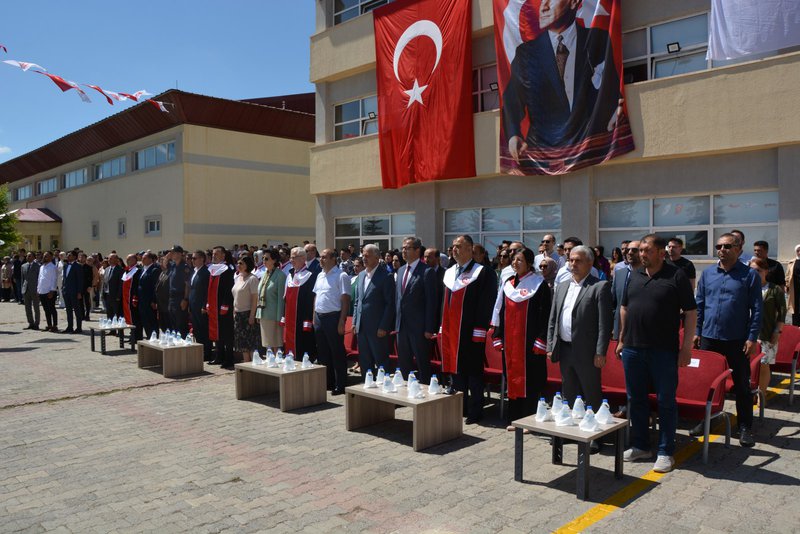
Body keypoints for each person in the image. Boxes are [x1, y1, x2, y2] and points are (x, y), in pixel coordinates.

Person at [502, 0, 623, 167]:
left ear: (573, 2)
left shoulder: (598, 40)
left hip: (593, 150)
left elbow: (611, 87)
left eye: (550, 0)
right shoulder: (525, 53)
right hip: (543, 157)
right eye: (542, 1)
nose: (543, 7)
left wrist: (616, 107)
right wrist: (513, 134)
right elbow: (512, 100)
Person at [616, 234, 697, 473]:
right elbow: (624, 307)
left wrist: (686, 348)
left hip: (663, 351)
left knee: (665, 401)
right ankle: (641, 446)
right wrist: (621, 338)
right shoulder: (634, 275)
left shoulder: (676, 276)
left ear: (661, 253)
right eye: (640, 250)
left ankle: (665, 451)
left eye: (647, 250)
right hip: (632, 349)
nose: (641, 254)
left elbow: (691, 312)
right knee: (636, 399)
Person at [693, 232, 761, 448]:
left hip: (737, 339)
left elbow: (757, 310)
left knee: (741, 385)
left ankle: (745, 427)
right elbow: (699, 305)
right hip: (709, 338)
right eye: (719, 246)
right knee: (707, 383)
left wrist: (752, 337)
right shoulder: (708, 274)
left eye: (727, 246)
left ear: (739, 249)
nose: (722, 250)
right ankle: (706, 420)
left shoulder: (749, 275)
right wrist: (696, 331)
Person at [547, 245, 612, 453]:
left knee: (591, 392)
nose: (573, 264)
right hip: (565, 349)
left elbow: (604, 324)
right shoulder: (562, 286)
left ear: (590, 263)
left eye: (578, 260)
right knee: (569, 392)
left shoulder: (599, 287)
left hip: (587, 351)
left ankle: (595, 435)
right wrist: (551, 345)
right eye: (571, 260)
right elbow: (553, 319)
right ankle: (569, 431)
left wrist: (600, 351)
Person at [440, 235, 495, 424]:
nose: (454, 249)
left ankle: (475, 411)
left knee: (473, 372)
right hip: (452, 330)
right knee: (456, 371)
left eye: (459, 246)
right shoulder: (450, 272)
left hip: (471, 331)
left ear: (470, 249)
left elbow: (486, 304)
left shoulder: (482, 272)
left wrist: (479, 330)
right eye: (453, 246)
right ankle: (460, 407)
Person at [494, 248, 551, 429]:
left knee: (531, 381)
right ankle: (514, 418)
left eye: (519, 260)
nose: (515, 263)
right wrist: (498, 335)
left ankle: (529, 421)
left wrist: (541, 339)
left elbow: (545, 314)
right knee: (513, 379)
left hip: (530, 343)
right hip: (511, 342)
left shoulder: (539, 284)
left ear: (529, 263)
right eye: (513, 260)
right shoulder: (508, 284)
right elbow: (500, 310)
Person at [395, 237, 438, 384]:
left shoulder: (427, 271)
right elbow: (398, 299)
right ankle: (405, 391)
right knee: (404, 363)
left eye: (407, 248)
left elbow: (431, 302)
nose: (404, 251)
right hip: (402, 327)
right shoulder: (401, 270)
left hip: (419, 328)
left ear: (417, 250)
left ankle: (425, 392)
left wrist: (429, 328)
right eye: (403, 248)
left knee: (422, 363)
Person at [353, 244, 395, 379]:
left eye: (367, 256)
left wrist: (384, 326)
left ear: (377, 258)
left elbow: (390, 304)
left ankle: (385, 386)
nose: (364, 258)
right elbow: (357, 301)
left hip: (377, 328)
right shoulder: (361, 275)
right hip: (361, 327)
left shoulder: (386, 276)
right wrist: (355, 322)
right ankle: (367, 386)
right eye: (363, 256)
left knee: (381, 361)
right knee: (365, 361)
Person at [312, 248, 351, 394]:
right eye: (320, 257)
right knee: (323, 352)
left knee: (337, 352)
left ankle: (340, 384)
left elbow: (345, 300)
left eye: (324, 257)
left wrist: (342, 321)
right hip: (319, 317)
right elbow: (316, 297)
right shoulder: (320, 275)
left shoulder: (341, 275)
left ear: (333, 259)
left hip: (333, 317)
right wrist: (314, 317)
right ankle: (328, 383)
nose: (321, 260)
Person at [749, 257, 785, 404]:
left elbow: (782, 313)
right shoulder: (745, 288)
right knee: (749, 367)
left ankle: (761, 395)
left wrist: (777, 332)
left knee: (764, 366)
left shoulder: (774, 289)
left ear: (766, 271)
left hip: (766, 334)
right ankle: (751, 393)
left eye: (758, 270)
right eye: (752, 270)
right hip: (747, 335)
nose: (755, 273)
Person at [282, 247, 317, 361]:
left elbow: (310, 301)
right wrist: (283, 316)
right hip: (290, 318)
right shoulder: (290, 275)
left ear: (302, 258)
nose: (291, 260)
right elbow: (285, 298)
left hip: (302, 318)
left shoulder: (310, 276)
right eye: (290, 257)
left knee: (303, 344)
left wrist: (308, 320)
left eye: (294, 257)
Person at [206, 246, 236, 368]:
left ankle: (229, 359)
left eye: (217, 254)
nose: (214, 256)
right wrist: (208, 303)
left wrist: (225, 304)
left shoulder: (228, 269)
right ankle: (219, 356)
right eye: (213, 254)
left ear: (223, 255)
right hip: (214, 305)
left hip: (224, 306)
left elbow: (229, 289)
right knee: (216, 332)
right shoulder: (212, 269)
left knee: (226, 333)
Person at [256, 248, 286, 354]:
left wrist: (279, 318)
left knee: (275, 343)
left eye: (266, 258)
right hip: (264, 313)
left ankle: (276, 361)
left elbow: (281, 299)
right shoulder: (265, 274)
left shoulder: (280, 275)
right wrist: (258, 313)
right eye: (263, 258)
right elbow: (260, 294)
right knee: (267, 343)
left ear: (274, 260)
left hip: (274, 316)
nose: (263, 261)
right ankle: (269, 360)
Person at [231, 255, 260, 363]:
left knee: (250, 343)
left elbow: (255, 299)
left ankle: (253, 365)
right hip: (238, 314)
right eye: (238, 263)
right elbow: (235, 296)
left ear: (247, 265)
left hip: (248, 314)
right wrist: (234, 311)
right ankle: (246, 364)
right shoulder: (238, 278)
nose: (238, 265)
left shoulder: (252, 279)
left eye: (241, 263)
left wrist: (252, 316)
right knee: (242, 343)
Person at [611, 240, 640, 340]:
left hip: (641, 331)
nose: (629, 253)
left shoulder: (649, 274)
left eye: (634, 250)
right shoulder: (620, 273)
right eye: (627, 250)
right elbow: (614, 301)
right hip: (620, 330)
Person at [188, 250, 210, 358]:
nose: (192, 260)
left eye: (194, 258)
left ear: (202, 259)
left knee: (203, 330)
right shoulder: (194, 271)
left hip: (201, 306)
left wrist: (204, 305)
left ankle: (207, 353)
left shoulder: (205, 272)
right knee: (196, 330)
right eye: (192, 258)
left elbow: (206, 291)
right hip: (193, 305)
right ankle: (200, 351)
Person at [168, 246, 192, 337]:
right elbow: (164, 264)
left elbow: (187, 284)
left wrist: (185, 299)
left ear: (179, 254)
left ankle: (182, 342)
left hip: (180, 298)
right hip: (172, 298)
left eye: (172, 252)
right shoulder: (173, 265)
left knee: (180, 324)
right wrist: (167, 257)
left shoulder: (184, 267)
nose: (171, 254)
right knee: (173, 323)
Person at [137, 252, 161, 340]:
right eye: (142, 258)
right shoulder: (143, 269)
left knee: (152, 321)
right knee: (145, 321)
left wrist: (154, 300)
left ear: (150, 259)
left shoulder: (154, 270)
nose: (142, 260)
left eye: (145, 258)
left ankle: (154, 339)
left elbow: (156, 287)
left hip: (150, 301)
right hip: (142, 300)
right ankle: (149, 337)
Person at [61, 251, 84, 333]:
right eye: (67, 255)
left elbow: (80, 280)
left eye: (70, 255)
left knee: (77, 310)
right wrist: (63, 288)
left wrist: (79, 292)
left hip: (74, 291)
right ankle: (69, 326)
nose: (68, 256)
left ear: (74, 257)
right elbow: (64, 279)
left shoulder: (78, 266)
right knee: (68, 310)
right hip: (66, 291)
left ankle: (79, 327)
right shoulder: (65, 266)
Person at [424, 247, 446, 329]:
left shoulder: (445, 274)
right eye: (425, 257)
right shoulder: (421, 273)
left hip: (439, 316)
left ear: (437, 258)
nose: (426, 260)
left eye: (429, 257)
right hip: (424, 317)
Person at [121, 254, 142, 339]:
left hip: (133, 298)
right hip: (126, 298)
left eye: (129, 259)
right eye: (127, 259)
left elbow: (137, 284)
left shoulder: (138, 270)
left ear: (135, 260)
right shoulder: (127, 270)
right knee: (130, 317)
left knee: (135, 317)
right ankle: (132, 335)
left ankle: (137, 336)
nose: (127, 261)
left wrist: (135, 297)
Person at [37, 251, 59, 332]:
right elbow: (39, 279)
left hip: (49, 291)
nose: (44, 257)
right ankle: (49, 324)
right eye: (44, 256)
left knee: (52, 308)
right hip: (42, 290)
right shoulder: (42, 267)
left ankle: (55, 325)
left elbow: (54, 279)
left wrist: (52, 290)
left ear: (51, 257)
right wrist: (38, 289)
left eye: (47, 256)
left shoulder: (53, 267)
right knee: (46, 309)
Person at [21, 252, 41, 330]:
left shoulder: (38, 266)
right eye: (27, 256)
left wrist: (38, 289)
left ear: (33, 257)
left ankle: (36, 324)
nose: (28, 257)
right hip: (26, 289)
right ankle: (30, 323)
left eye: (29, 256)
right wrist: (22, 289)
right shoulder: (23, 266)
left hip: (35, 289)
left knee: (36, 307)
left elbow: (39, 279)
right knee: (27, 308)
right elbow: (23, 279)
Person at [155, 256, 172, 332]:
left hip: (167, 303)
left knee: (168, 325)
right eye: (160, 262)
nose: (160, 264)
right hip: (160, 304)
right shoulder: (162, 273)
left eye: (162, 262)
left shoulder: (170, 273)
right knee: (162, 325)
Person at [103, 254, 123, 319]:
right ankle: (111, 326)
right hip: (107, 295)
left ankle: (118, 326)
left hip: (115, 296)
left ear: (116, 260)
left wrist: (118, 296)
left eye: (111, 258)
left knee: (116, 315)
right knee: (109, 315)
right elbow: (105, 282)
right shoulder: (107, 269)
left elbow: (120, 284)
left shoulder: (120, 270)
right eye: (109, 258)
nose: (109, 260)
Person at [787, 244, 800, 327]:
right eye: (798, 250)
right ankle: (796, 327)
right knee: (795, 307)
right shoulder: (792, 262)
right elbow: (788, 275)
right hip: (795, 288)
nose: (799, 252)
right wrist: (787, 285)